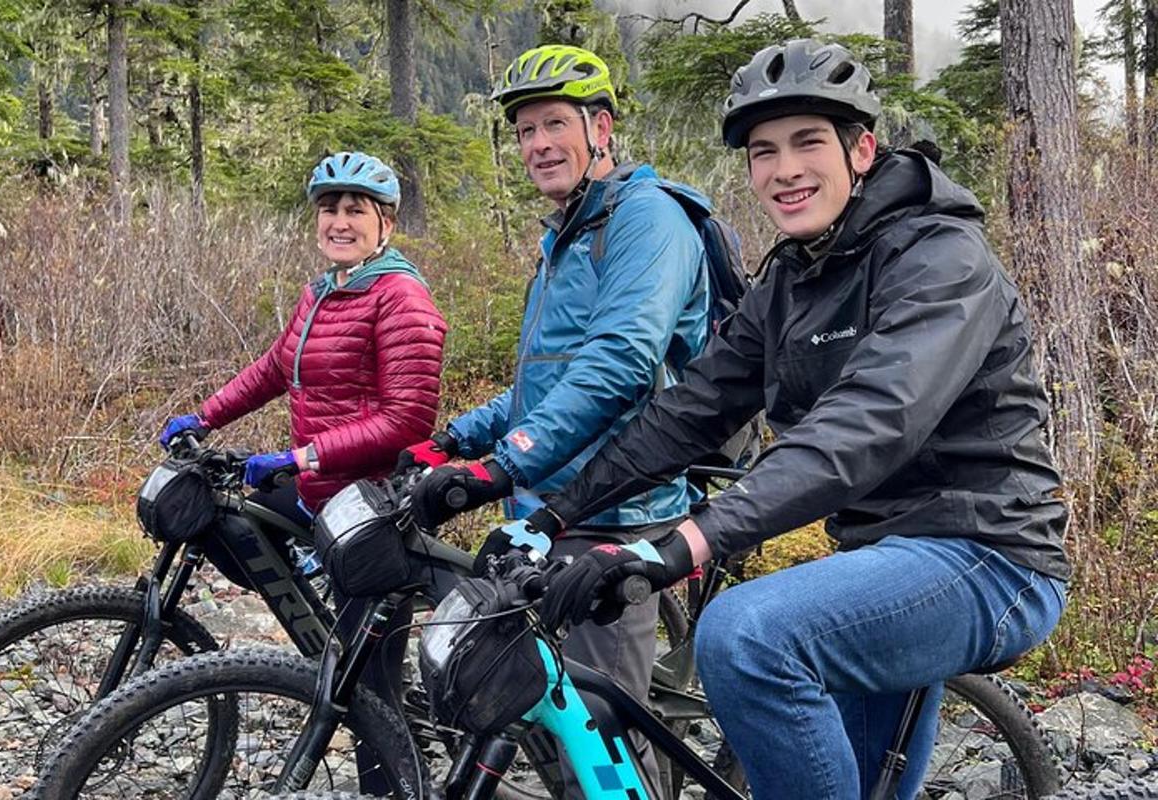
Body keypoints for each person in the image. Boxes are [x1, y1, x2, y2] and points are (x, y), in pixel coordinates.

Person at [525, 39, 1070, 799]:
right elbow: (688, 412)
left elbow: (869, 421)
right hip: (877, 559)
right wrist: (554, 515)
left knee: (746, 635)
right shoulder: (790, 276)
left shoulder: (942, 255)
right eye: (763, 151)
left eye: (808, 142)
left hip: (988, 554)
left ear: (862, 149)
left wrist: (684, 542)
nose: (784, 170)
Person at [398, 44, 710, 796]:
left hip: (616, 513)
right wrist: (457, 439)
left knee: (606, 754)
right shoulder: (565, 238)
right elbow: (539, 388)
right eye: (524, 130)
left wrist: (506, 464)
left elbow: (620, 364)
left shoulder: (647, 221)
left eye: (553, 124)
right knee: (554, 724)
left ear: (600, 128)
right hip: (549, 513)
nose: (537, 144)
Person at [159, 150, 447, 528]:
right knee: (233, 534)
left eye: (355, 211)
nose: (339, 223)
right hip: (319, 486)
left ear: (386, 224)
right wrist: (204, 417)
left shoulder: (401, 297)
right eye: (329, 209)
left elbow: (405, 422)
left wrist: (303, 457)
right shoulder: (321, 293)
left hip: (371, 502)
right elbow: (274, 369)